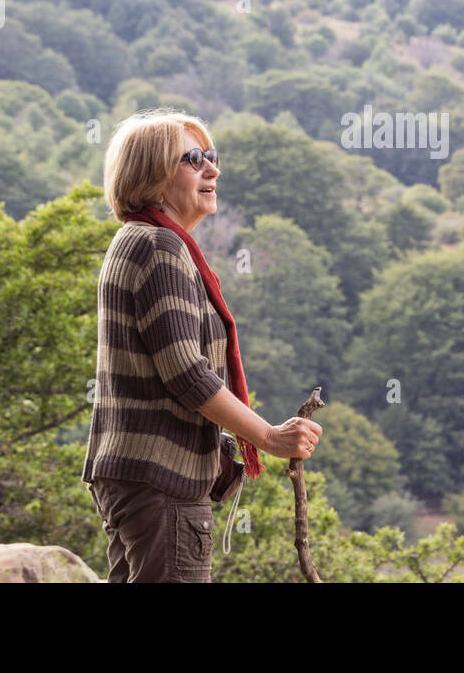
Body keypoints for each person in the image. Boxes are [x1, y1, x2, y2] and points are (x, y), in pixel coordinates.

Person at [82, 108, 322, 582]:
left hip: (136, 476)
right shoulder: (158, 247)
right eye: (193, 158)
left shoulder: (137, 241)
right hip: (161, 481)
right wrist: (268, 437)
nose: (212, 169)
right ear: (151, 176)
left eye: (211, 156)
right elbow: (187, 374)